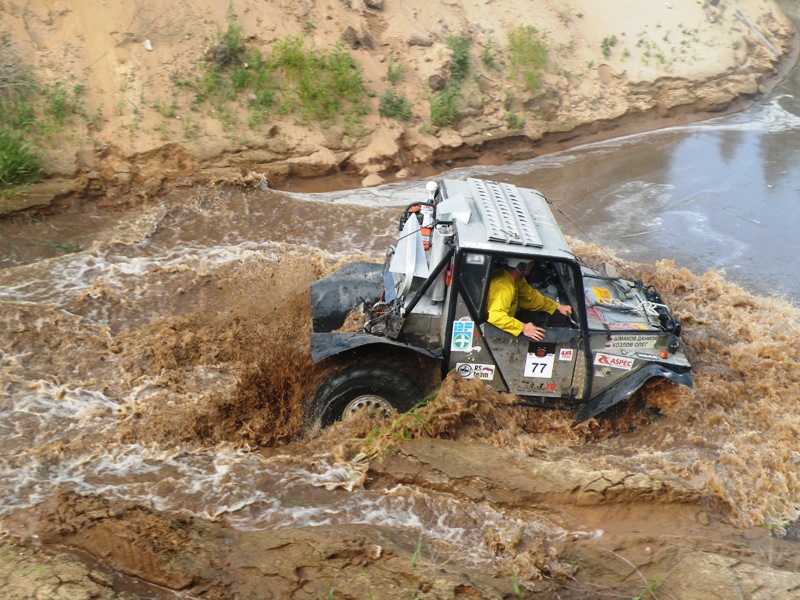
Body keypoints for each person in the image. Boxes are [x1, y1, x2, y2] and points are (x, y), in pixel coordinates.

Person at [486, 259, 572, 341]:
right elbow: (496, 317)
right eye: (530, 264)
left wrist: (557, 306)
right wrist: (523, 327)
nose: (532, 266)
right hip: (491, 328)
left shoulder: (513, 279)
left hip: (503, 323)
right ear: (522, 266)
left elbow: (531, 298)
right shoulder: (503, 286)